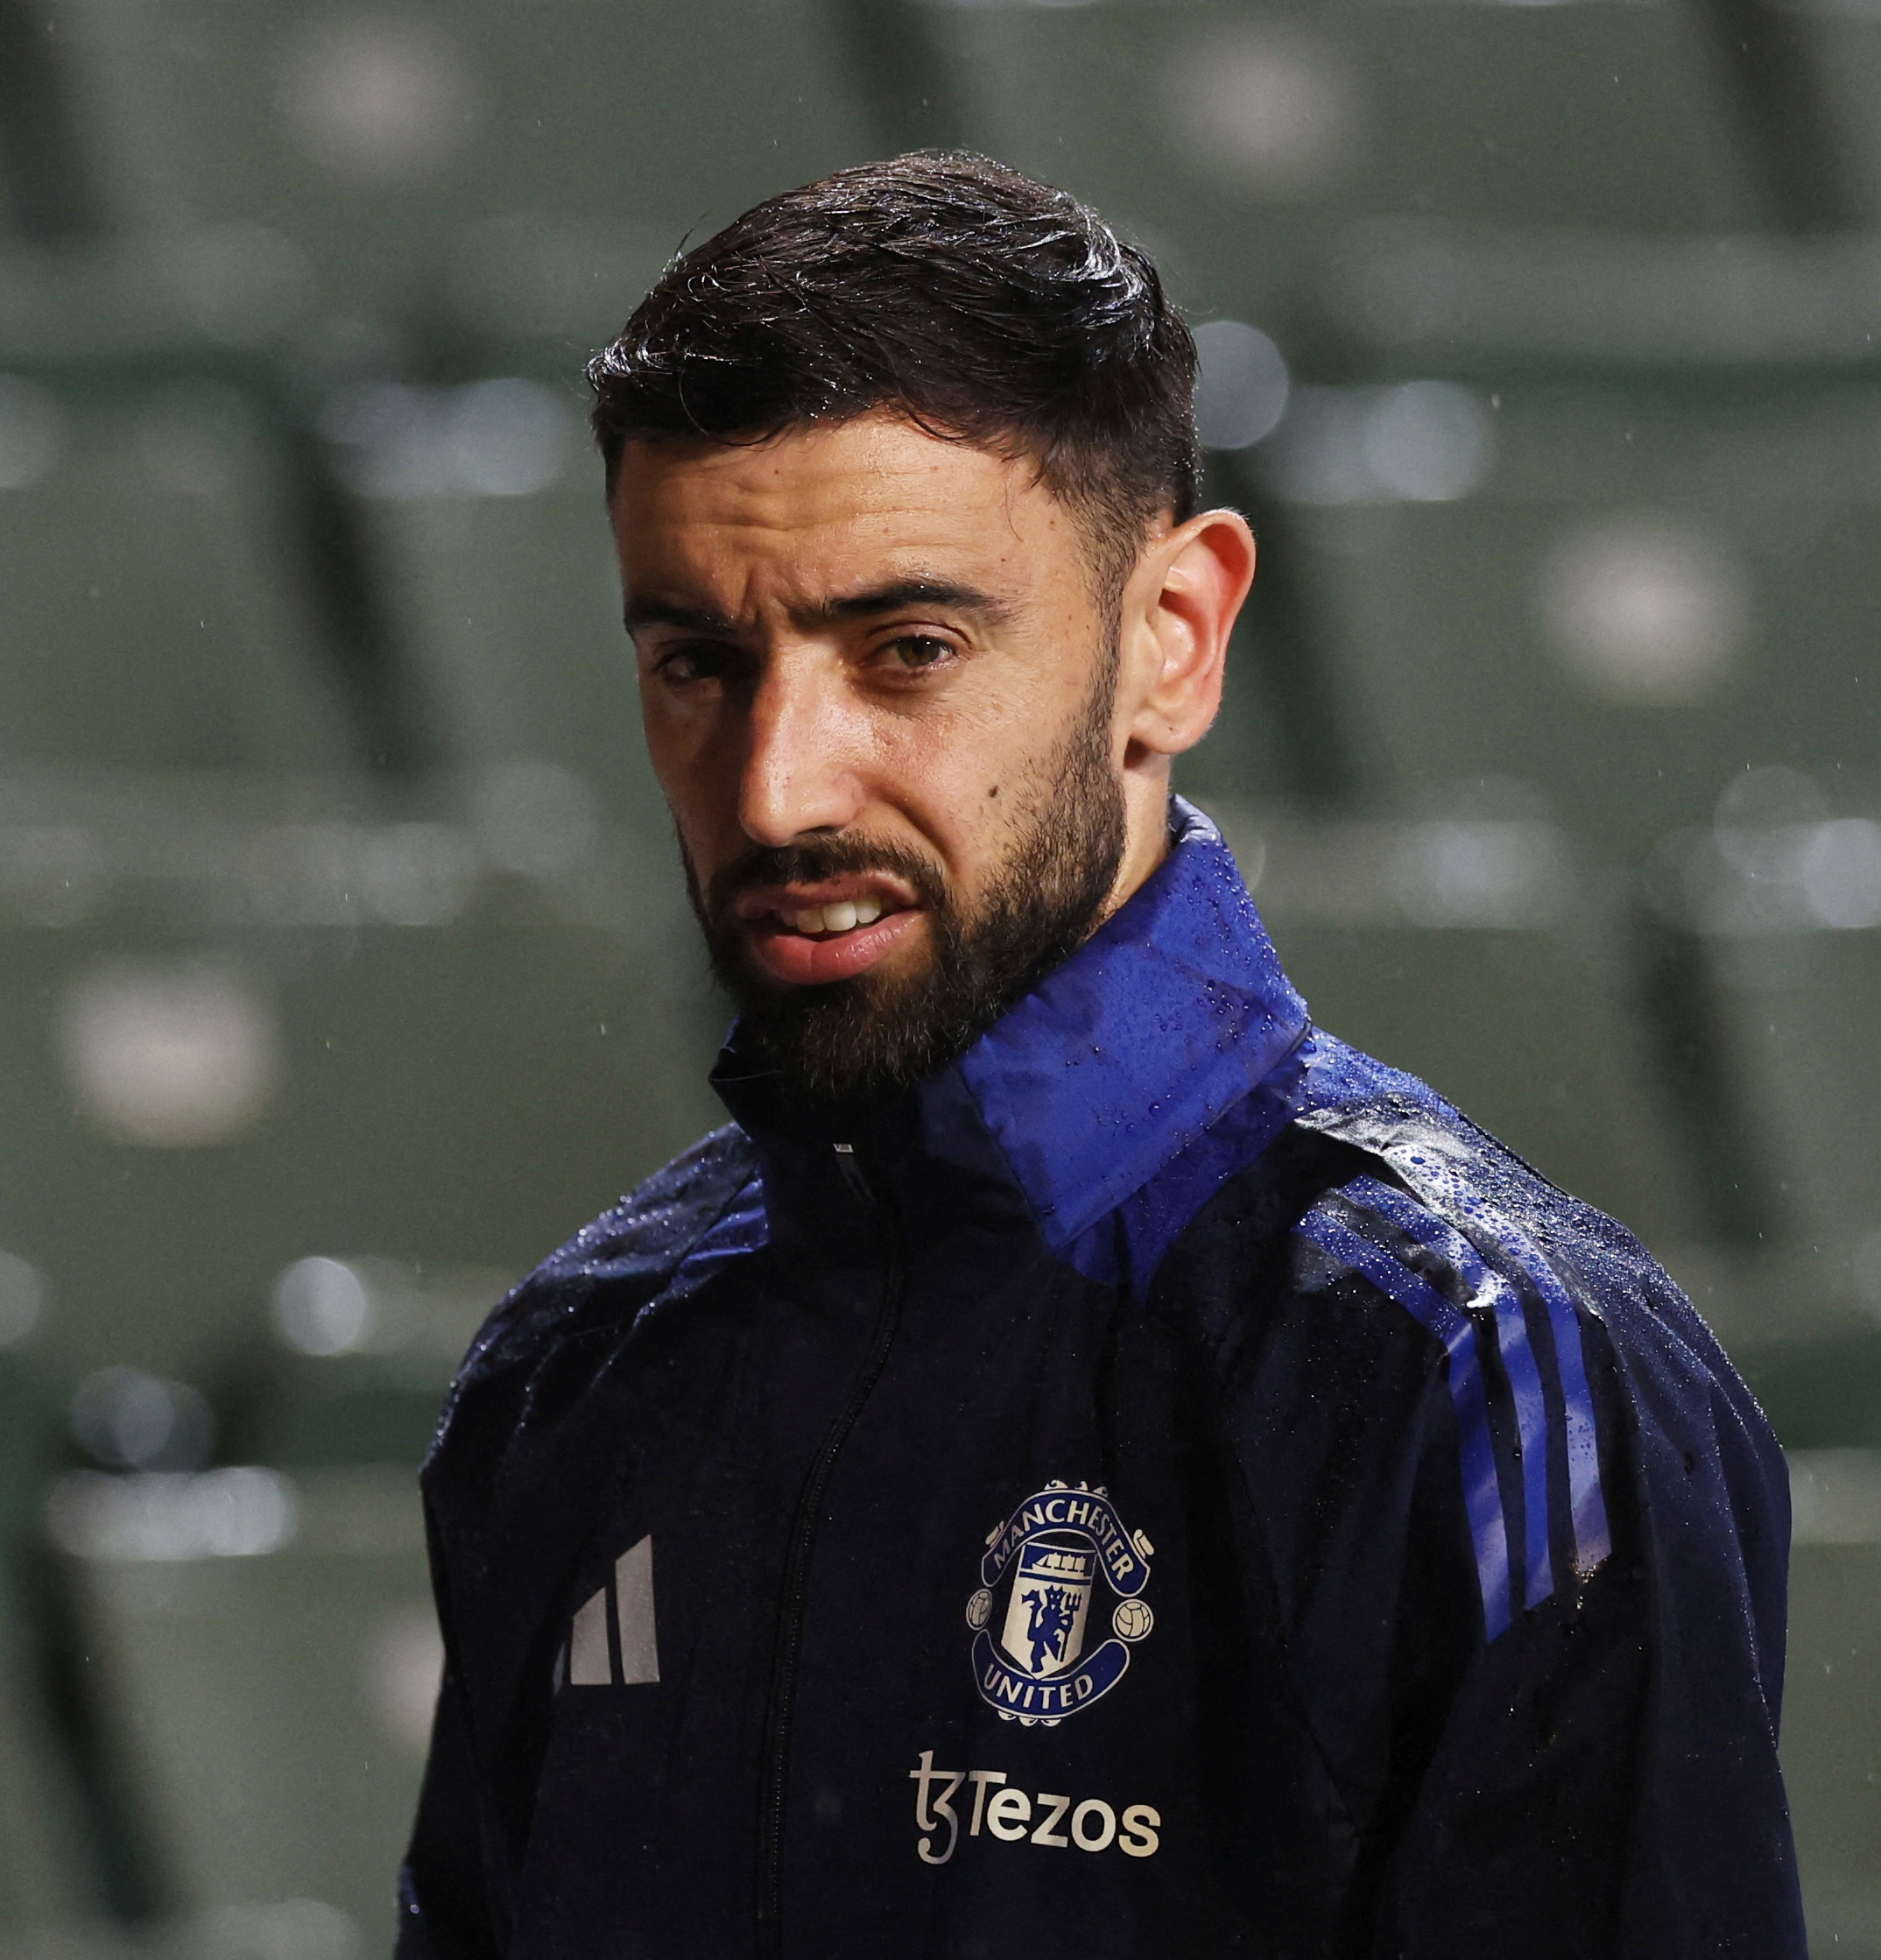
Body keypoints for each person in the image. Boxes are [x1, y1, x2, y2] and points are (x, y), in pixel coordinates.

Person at [397, 152, 1801, 1957]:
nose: (777, 787)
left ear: (1173, 640)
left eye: (906, 648)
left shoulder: (1480, 1378)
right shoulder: (573, 1378)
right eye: (698, 665)